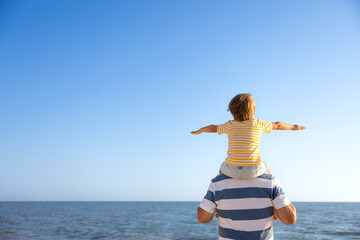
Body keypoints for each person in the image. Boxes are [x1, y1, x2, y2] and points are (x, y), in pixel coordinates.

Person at [191, 93, 305, 179]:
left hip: (231, 169)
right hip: (253, 169)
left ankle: (218, 192)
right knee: (268, 170)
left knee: (221, 170)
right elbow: (278, 125)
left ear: (232, 112)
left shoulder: (229, 125)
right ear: (253, 110)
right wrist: (294, 127)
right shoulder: (258, 124)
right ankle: (272, 192)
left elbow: (213, 127)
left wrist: (200, 130)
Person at [197, 172, 296, 240]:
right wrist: (275, 206)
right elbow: (290, 219)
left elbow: (202, 218)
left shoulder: (218, 182)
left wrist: (217, 208)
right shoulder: (270, 181)